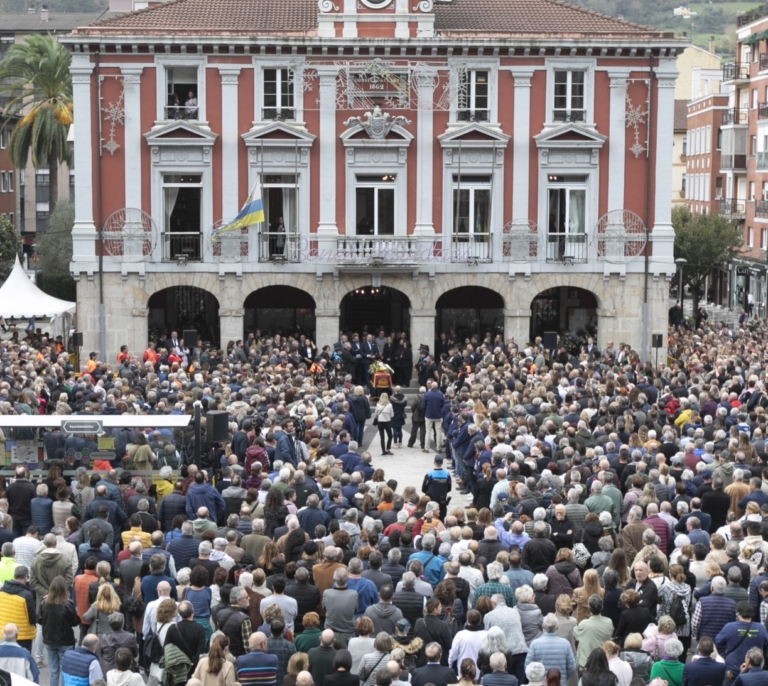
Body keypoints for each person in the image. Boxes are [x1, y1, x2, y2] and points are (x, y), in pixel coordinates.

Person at [40, 575, 80, 686]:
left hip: (49, 639)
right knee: (64, 670)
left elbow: (39, 619)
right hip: (65, 640)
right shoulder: (68, 604)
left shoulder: (44, 603)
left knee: (53, 671)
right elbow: (75, 622)